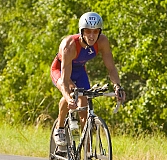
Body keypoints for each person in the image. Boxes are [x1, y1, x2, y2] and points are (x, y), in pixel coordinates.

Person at [50, 12, 125, 149]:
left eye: (95, 31)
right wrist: (69, 98)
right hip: (61, 70)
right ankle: (59, 128)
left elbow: (111, 68)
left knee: (84, 109)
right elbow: (66, 80)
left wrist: (117, 86)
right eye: (88, 31)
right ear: (81, 31)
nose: (92, 36)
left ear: (99, 32)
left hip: (79, 71)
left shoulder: (102, 42)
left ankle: (87, 155)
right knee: (69, 95)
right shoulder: (69, 45)